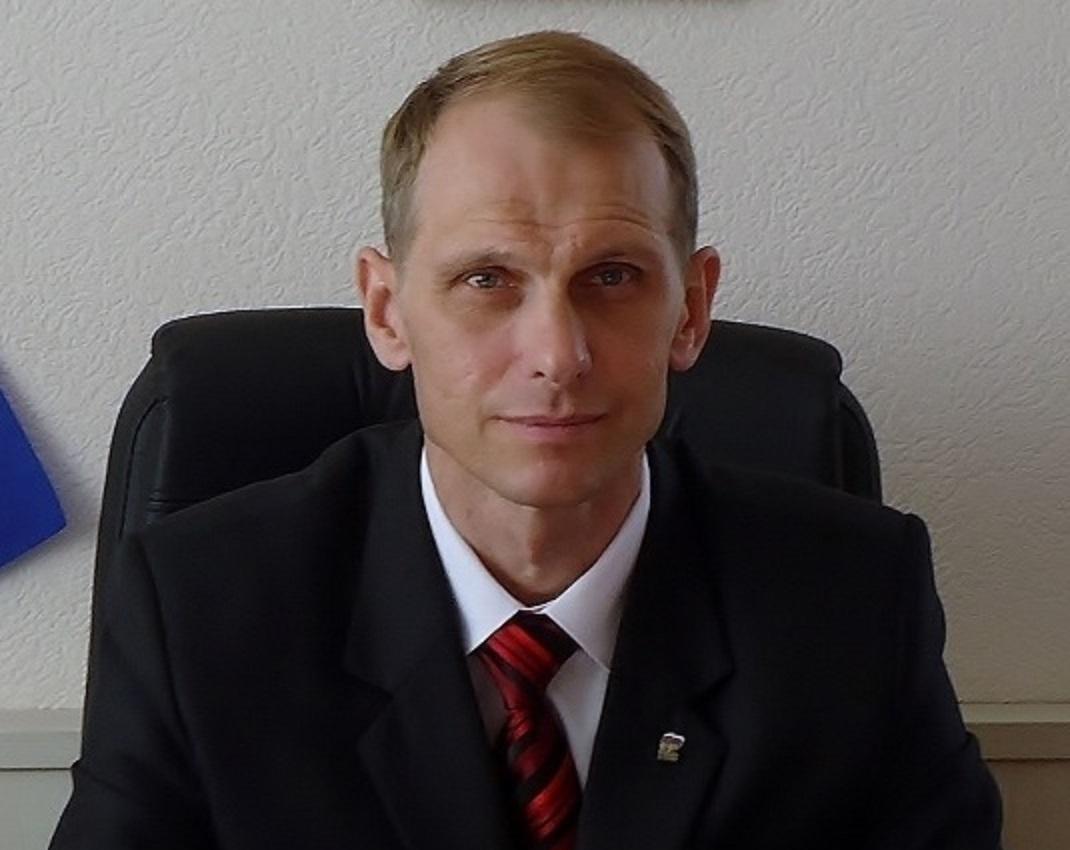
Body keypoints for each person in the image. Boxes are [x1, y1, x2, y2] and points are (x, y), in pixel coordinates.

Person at [51, 30, 1001, 850]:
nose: (556, 354)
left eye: (613, 276)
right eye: (487, 280)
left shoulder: (852, 600)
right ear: (386, 311)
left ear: (690, 309)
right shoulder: (200, 607)